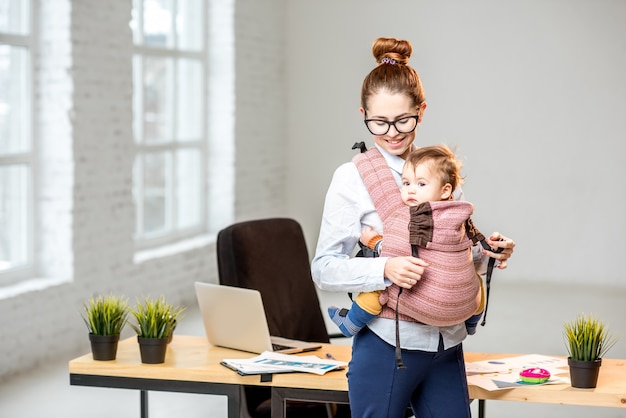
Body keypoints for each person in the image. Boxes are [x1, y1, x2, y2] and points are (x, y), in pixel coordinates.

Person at [311, 37, 515, 418]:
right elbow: (323, 266)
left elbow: (450, 252)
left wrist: (487, 252)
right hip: (389, 345)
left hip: (445, 343)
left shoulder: (438, 171)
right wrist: (383, 268)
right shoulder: (351, 177)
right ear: (363, 114)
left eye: (403, 120)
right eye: (378, 122)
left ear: (421, 111)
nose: (391, 132)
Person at [327, 145, 487, 338]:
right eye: (406, 183)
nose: (411, 190)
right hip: (462, 305)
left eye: (421, 184)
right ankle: (471, 323)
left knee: (378, 286)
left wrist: (373, 241)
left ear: (445, 191)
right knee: (475, 281)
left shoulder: (411, 217)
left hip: (426, 300)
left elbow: (396, 250)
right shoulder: (459, 217)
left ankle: (350, 323)